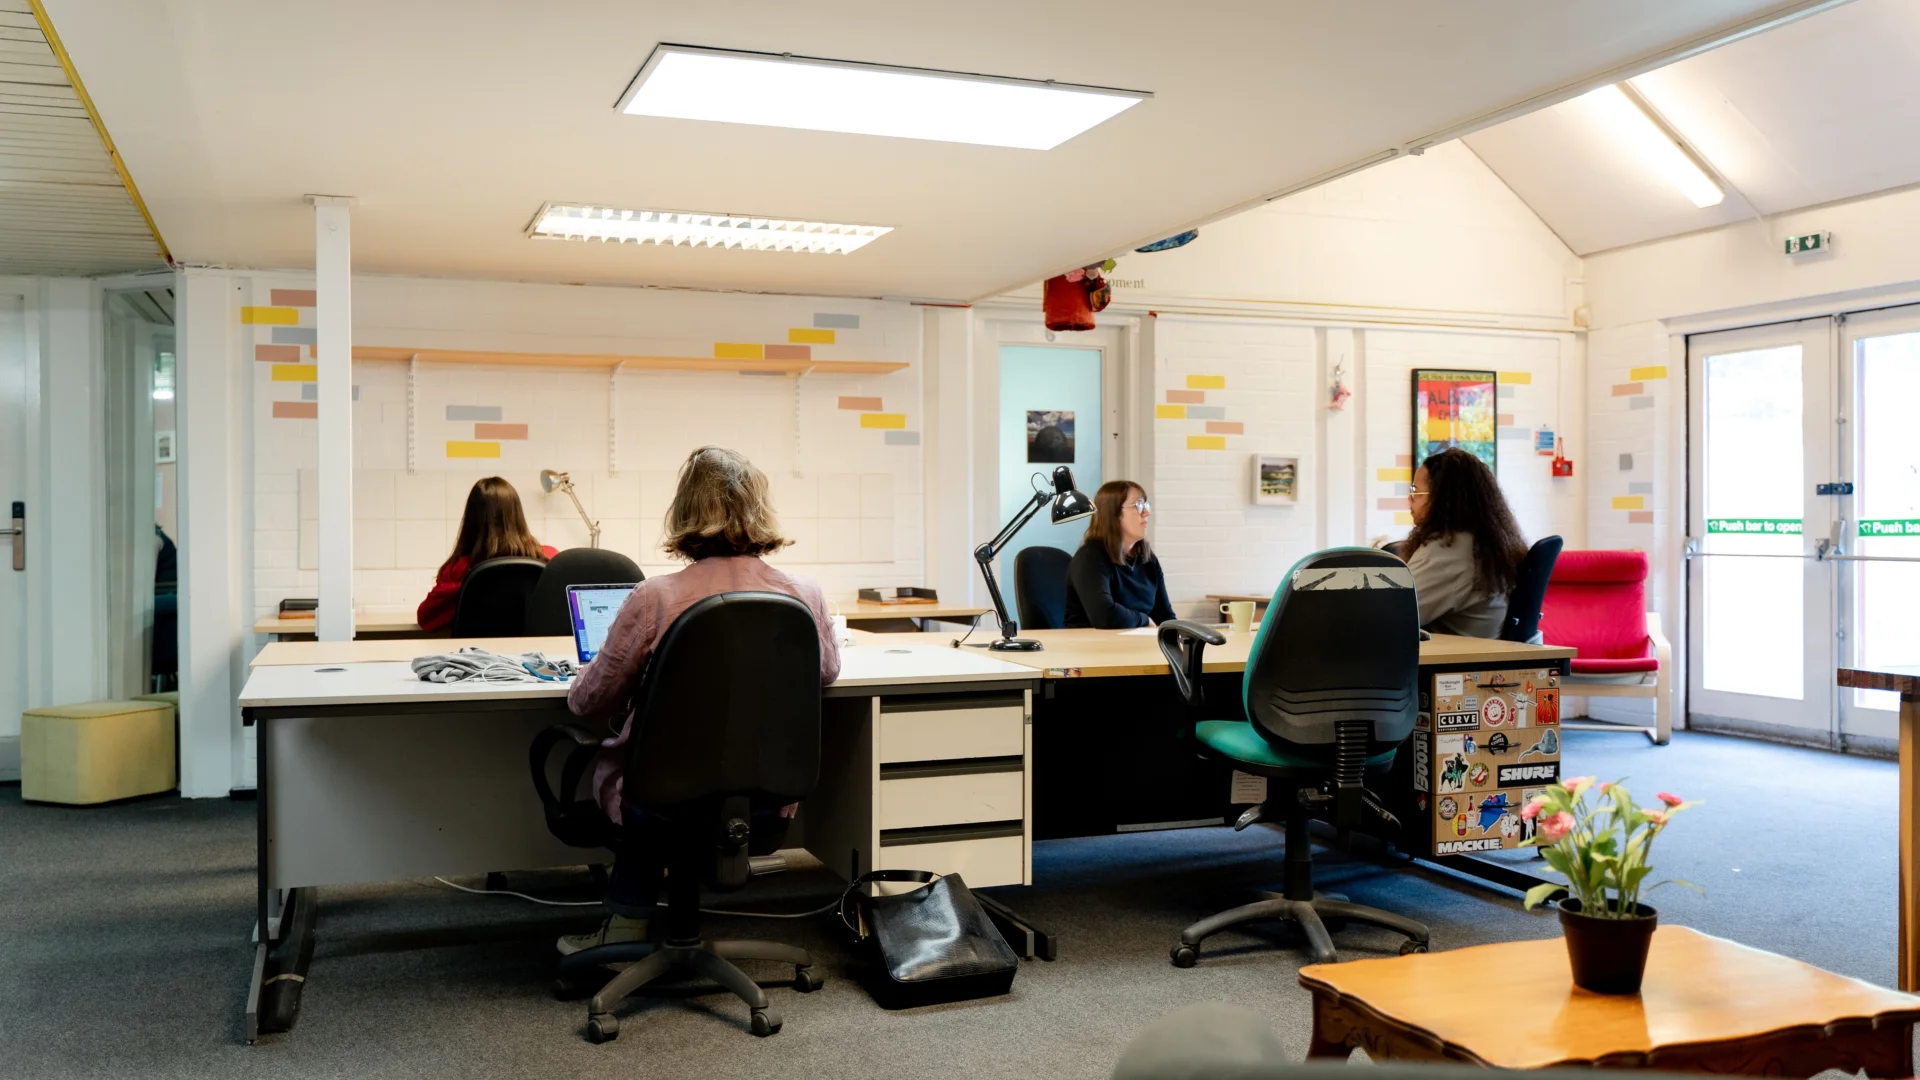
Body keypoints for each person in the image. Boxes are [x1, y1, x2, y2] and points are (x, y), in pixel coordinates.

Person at [559, 446, 840, 954]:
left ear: (686, 512)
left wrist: (583, 673)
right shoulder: (804, 594)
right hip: (766, 799)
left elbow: (588, 703)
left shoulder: (655, 597)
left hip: (659, 801)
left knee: (652, 785)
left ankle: (624, 929)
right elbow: (826, 672)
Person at [1401, 447, 1527, 638]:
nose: (1409, 501)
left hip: (1456, 662)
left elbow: (1391, 614)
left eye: (1415, 492)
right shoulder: (1484, 542)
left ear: (1442, 499)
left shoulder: (1447, 554)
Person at [415, 477, 557, 633]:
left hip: (477, 655)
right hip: (534, 655)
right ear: (517, 515)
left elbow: (426, 619)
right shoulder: (549, 558)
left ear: (471, 519)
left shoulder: (459, 569)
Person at [1064, 480, 1175, 629]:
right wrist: (1145, 620)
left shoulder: (1147, 559)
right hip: (1093, 647)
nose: (1146, 512)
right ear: (1114, 514)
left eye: (1146, 505)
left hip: (1136, 645)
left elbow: (1165, 616)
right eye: (1138, 505)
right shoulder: (1090, 558)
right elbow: (1104, 615)